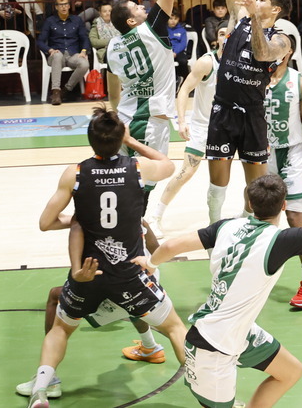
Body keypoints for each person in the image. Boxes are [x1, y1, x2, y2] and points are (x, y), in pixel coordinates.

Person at [134, 174, 302, 408]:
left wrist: (150, 261)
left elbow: (170, 247)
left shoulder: (226, 226)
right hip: (211, 347)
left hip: (237, 332)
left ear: (250, 203)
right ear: (284, 205)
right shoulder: (284, 239)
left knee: (290, 372)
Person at [21, 108, 187, 408]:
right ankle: (209, 388)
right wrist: (131, 141)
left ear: (90, 140)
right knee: (175, 328)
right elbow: (168, 164)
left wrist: (78, 218)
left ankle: (42, 390)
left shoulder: (76, 173)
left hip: (88, 274)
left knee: (61, 329)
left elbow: (46, 222)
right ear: (119, 138)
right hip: (130, 273)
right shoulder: (138, 169)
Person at [205, 0, 292, 222]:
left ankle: (246, 229)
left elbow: (261, 53)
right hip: (223, 110)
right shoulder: (238, 14)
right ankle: (214, 231)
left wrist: (255, 18)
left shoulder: (283, 40)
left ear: (275, 9)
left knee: (255, 192)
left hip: (253, 114)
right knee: (217, 187)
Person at [107, 0, 201, 199]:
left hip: (123, 117)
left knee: (121, 179)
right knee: (143, 187)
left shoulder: (111, 46)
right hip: (151, 120)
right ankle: (136, 240)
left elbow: (113, 93)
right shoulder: (152, 30)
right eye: (137, 6)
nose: (142, 4)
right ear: (132, 20)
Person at [145, 25, 228, 238]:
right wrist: (181, 121)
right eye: (220, 33)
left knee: (226, 177)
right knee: (186, 172)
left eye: (229, 32)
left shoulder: (240, 63)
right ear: (215, 40)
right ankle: (154, 216)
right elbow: (184, 90)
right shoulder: (207, 62)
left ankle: (227, 220)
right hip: (203, 126)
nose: (225, 36)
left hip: (228, 127)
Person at [265, 35, 302, 309]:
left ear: (288, 53)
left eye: (277, 47)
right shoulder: (257, 80)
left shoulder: (301, 83)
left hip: (292, 154)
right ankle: (258, 278)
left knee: (293, 216)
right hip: (264, 155)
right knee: (262, 220)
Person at [38, 0, 91, 105]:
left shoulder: (77, 20)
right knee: (57, 56)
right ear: (56, 7)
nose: (63, 7)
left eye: (65, 4)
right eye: (60, 5)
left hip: (73, 54)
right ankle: (56, 92)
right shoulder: (50, 21)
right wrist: (49, 50)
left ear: (69, 6)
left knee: (84, 64)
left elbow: (84, 38)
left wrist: (84, 51)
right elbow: (40, 41)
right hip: (57, 54)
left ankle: (66, 90)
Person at [167, 7, 190, 84]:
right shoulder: (163, 30)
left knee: (183, 61)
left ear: (178, 19)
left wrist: (175, 52)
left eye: (175, 18)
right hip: (167, 51)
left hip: (179, 52)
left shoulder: (182, 30)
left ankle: (186, 82)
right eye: (171, 18)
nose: (173, 21)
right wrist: (170, 51)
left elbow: (183, 44)